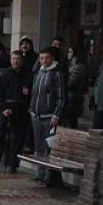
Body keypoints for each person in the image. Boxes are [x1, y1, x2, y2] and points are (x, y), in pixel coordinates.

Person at [0, 51, 30, 173]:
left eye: (17, 59)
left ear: (21, 60)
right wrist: (3, 108)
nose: (15, 61)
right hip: (5, 111)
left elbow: (28, 96)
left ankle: (12, 164)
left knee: (17, 140)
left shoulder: (27, 75)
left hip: (20, 112)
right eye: (13, 59)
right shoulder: (5, 75)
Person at [29, 47, 66, 184]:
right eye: (42, 58)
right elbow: (34, 92)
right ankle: (40, 173)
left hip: (49, 115)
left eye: (47, 58)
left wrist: (56, 115)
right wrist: (31, 109)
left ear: (52, 58)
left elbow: (61, 97)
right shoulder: (38, 72)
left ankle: (48, 176)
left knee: (48, 146)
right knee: (38, 146)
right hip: (35, 114)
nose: (44, 61)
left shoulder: (57, 74)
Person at [63, 46, 87, 129]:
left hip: (73, 98)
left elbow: (72, 83)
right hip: (70, 97)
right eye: (68, 52)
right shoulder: (70, 64)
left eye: (70, 52)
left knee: (71, 122)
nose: (68, 54)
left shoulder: (78, 66)